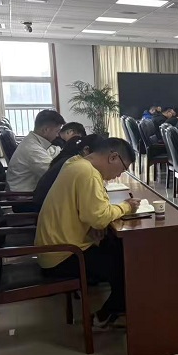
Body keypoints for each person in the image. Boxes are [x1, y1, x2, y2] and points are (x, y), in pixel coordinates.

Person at [36, 138, 140, 328]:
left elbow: (92, 210)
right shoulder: (88, 173)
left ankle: (118, 309)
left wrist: (96, 222)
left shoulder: (76, 163)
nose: (119, 175)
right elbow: (99, 217)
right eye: (123, 169)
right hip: (63, 255)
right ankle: (112, 313)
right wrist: (126, 207)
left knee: (117, 248)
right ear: (113, 157)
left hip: (54, 248)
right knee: (127, 263)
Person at [34, 134, 105, 209]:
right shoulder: (76, 164)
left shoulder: (69, 159)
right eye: (99, 156)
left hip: (47, 206)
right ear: (86, 150)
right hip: (46, 207)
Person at [6, 109, 65, 192]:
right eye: (57, 131)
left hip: (30, 189)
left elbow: (49, 152)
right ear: (45, 130)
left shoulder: (33, 140)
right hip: (25, 196)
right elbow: (54, 175)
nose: (58, 135)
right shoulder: (32, 149)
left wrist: (65, 151)